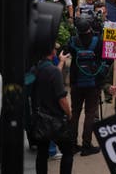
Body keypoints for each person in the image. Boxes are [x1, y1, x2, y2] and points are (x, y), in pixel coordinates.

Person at [68, 14, 106, 156]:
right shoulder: (97, 40)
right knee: (90, 113)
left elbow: (68, 51)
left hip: (76, 81)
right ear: (90, 26)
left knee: (75, 112)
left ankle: (72, 145)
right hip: (93, 82)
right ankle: (86, 145)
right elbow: (103, 58)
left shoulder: (72, 41)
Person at [32, 46, 74, 174]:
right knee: (68, 152)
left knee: (42, 153)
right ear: (52, 51)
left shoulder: (36, 69)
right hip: (56, 120)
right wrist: (69, 113)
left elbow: (53, 77)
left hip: (40, 118)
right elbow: (62, 99)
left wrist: (61, 62)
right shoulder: (53, 71)